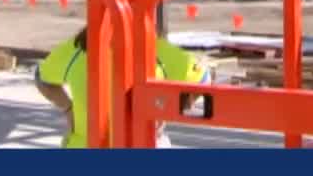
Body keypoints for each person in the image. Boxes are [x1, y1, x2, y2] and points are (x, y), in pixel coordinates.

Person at [35, 26, 210, 148]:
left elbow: (41, 78)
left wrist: (68, 108)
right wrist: (171, 108)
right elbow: (203, 80)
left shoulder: (77, 49)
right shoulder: (159, 52)